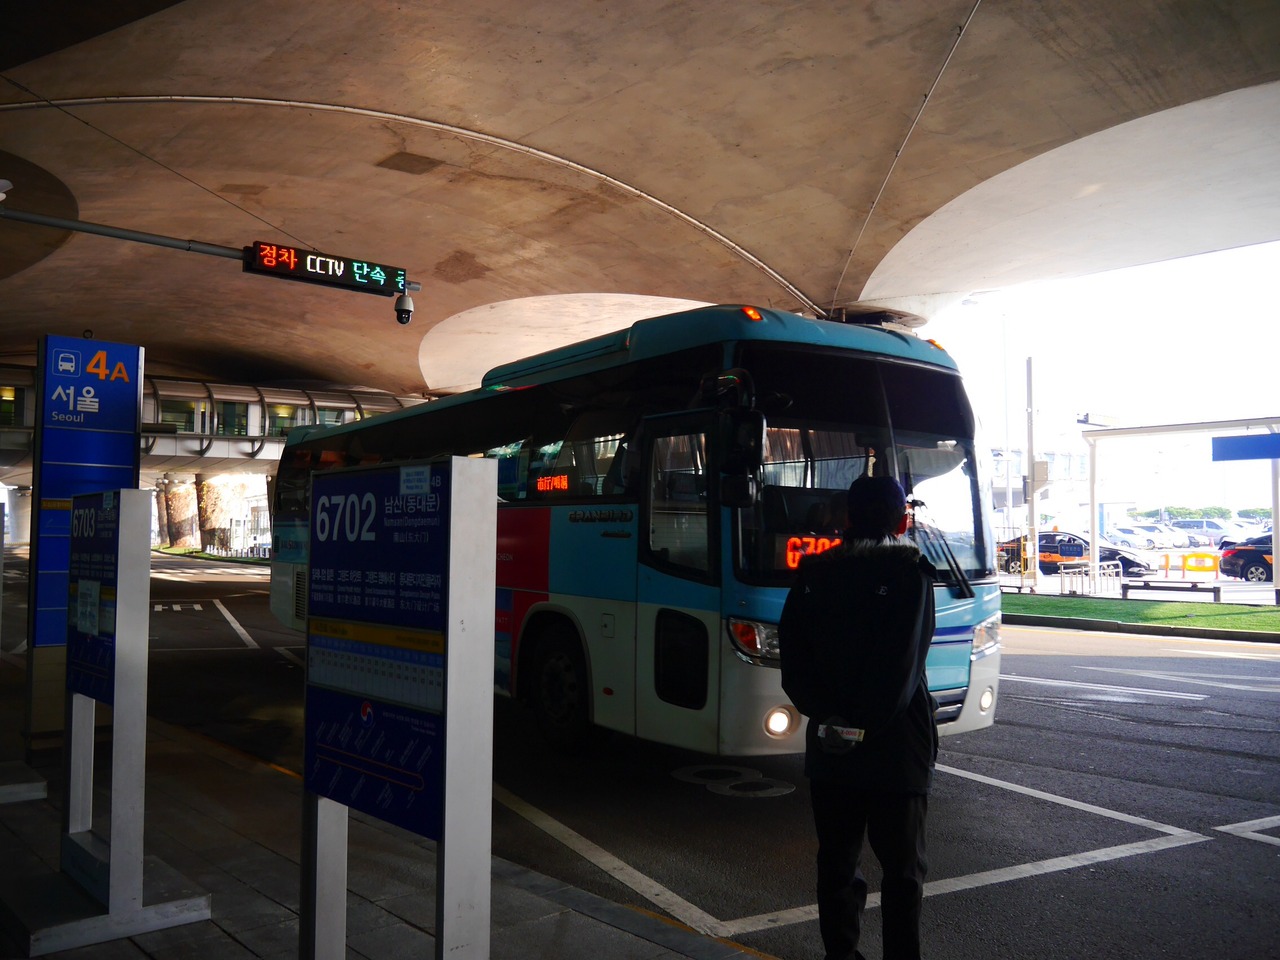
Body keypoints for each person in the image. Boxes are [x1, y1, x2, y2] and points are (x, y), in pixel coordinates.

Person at [779, 474, 938, 960]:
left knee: (837, 863)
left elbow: (794, 661)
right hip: (897, 749)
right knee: (903, 871)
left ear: (846, 518)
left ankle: (841, 955)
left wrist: (833, 720)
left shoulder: (814, 574)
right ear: (902, 522)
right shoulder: (910, 574)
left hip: (831, 746)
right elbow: (902, 669)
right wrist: (865, 724)